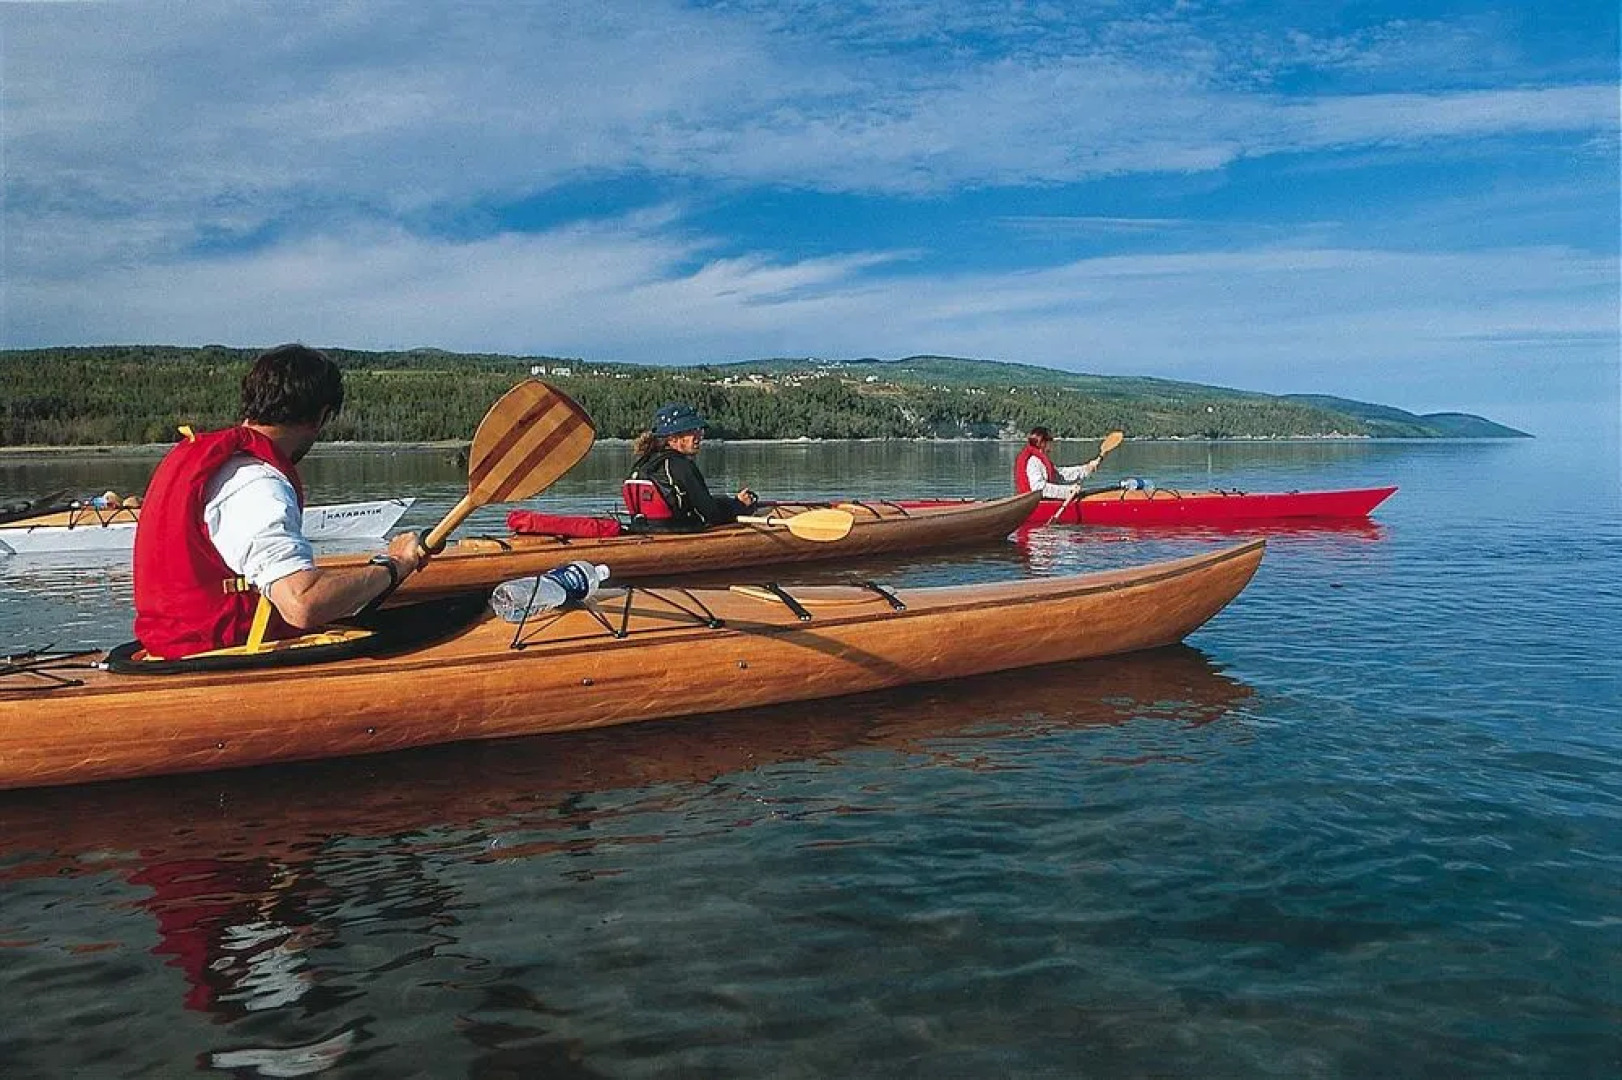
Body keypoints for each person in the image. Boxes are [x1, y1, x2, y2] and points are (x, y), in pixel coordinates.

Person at [132, 344, 424, 659]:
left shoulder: (203, 460)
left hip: (173, 648)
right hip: (224, 659)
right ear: (322, 415)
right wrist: (395, 566)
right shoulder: (257, 483)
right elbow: (303, 604)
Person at [622, 403, 758, 529]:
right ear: (673, 438)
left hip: (645, 530)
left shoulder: (643, 462)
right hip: (678, 533)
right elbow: (712, 515)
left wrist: (730, 502)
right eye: (693, 430)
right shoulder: (680, 465)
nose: (700, 435)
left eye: (699, 430)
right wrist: (739, 505)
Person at [1014, 426, 1103, 499]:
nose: (1052, 444)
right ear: (1043, 443)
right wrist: (1068, 490)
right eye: (1050, 441)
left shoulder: (1040, 460)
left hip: (1043, 500)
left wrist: (1086, 469)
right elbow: (1039, 488)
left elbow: (1060, 474)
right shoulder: (1033, 461)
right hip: (1035, 504)